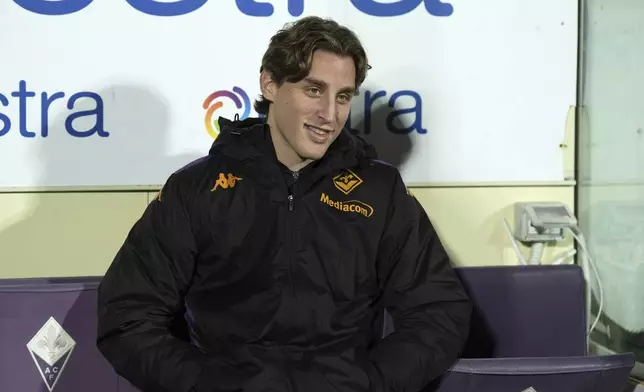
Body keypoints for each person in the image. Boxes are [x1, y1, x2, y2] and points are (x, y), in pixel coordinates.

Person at [96, 16, 472, 392]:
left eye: (343, 96)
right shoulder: (196, 189)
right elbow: (128, 319)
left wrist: (369, 382)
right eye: (313, 90)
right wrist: (215, 385)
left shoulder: (380, 190)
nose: (330, 114)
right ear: (270, 84)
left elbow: (439, 312)